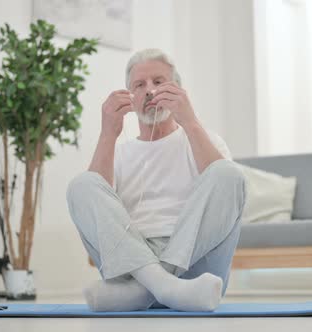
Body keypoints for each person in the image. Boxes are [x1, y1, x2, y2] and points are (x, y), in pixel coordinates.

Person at [66, 48, 246, 312]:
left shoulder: (205, 139)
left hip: (195, 267)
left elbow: (225, 194)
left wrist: (190, 121)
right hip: (131, 263)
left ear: (177, 90)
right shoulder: (118, 151)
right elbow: (94, 207)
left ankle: (141, 293)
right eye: (139, 85)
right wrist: (108, 134)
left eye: (159, 82)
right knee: (81, 185)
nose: (149, 90)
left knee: (229, 173)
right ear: (130, 96)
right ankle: (162, 286)